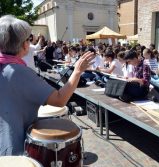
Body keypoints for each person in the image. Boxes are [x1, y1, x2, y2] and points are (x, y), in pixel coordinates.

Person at [0, 15, 95, 156]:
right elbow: (59, 100)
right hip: (13, 149)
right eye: (28, 39)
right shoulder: (19, 73)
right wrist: (77, 71)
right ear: (25, 45)